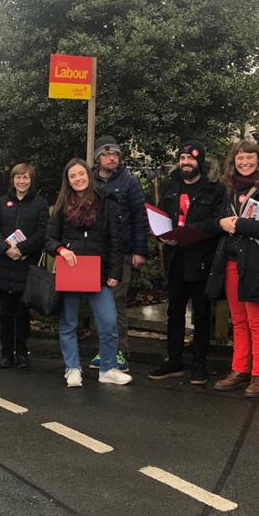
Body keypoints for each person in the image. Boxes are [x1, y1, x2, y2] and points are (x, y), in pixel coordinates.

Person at [206, 141, 259, 398]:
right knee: (238, 320)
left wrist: (239, 224)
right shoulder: (228, 190)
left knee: (257, 323)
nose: (245, 162)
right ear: (234, 162)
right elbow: (218, 221)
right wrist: (222, 222)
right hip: (231, 264)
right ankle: (239, 369)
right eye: (240, 158)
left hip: (257, 265)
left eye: (249, 158)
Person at [45, 158, 132, 387]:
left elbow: (116, 240)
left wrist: (114, 272)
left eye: (80, 174)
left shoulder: (107, 202)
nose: (77, 179)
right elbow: (49, 239)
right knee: (69, 323)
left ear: (89, 174)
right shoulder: (62, 205)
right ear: (68, 180)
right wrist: (61, 250)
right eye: (72, 176)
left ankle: (108, 368)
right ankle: (72, 368)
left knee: (108, 321)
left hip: (99, 271)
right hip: (71, 269)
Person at [150, 141, 225, 385]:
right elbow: (161, 216)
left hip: (201, 259)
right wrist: (162, 234)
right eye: (182, 159)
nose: (185, 163)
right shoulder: (171, 187)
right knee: (174, 312)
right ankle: (174, 360)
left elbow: (217, 222)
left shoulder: (214, 190)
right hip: (175, 259)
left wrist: (192, 231)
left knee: (202, 314)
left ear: (199, 162)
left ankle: (199, 363)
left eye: (190, 159)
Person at [90, 137, 147, 372]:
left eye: (115, 154)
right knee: (98, 303)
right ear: (97, 158)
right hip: (94, 253)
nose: (112, 158)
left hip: (120, 252)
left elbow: (139, 216)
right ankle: (104, 349)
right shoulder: (89, 180)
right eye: (107, 154)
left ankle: (119, 351)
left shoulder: (128, 182)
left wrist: (139, 250)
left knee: (116, 303)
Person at [0, 163, 49, 368]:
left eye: (25, 178)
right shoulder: (3, 202)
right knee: (6, 313)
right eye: (18, 177)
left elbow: (42, 232)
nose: (21, 181)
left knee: (23, 313)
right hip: (4, 264)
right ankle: (6, 353)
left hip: (26, 265)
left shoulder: (40, 203)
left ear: (31, 180)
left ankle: (22, 352)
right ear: (12, 180)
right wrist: (6, 248)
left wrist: (22, 249)